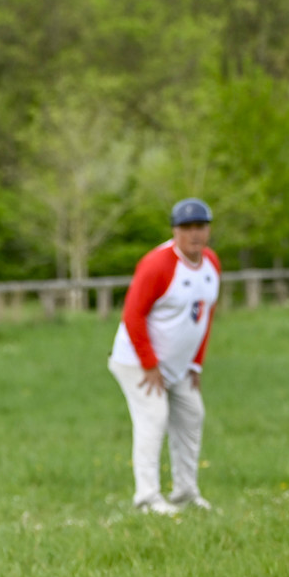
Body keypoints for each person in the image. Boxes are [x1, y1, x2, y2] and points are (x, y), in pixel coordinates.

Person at [108, 199, 221, 515]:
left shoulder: (211, 263)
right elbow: (133, 315)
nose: (194, 234)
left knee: (192, 414)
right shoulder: (158, 264)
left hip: (177, 366)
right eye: (186, 228)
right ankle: (147, 499)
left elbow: (203, 317)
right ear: (175, 231)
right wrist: (149, 364)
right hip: (137, 362)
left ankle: (186, 493)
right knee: (153, 418)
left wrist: (196, 362)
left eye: (200, 226)